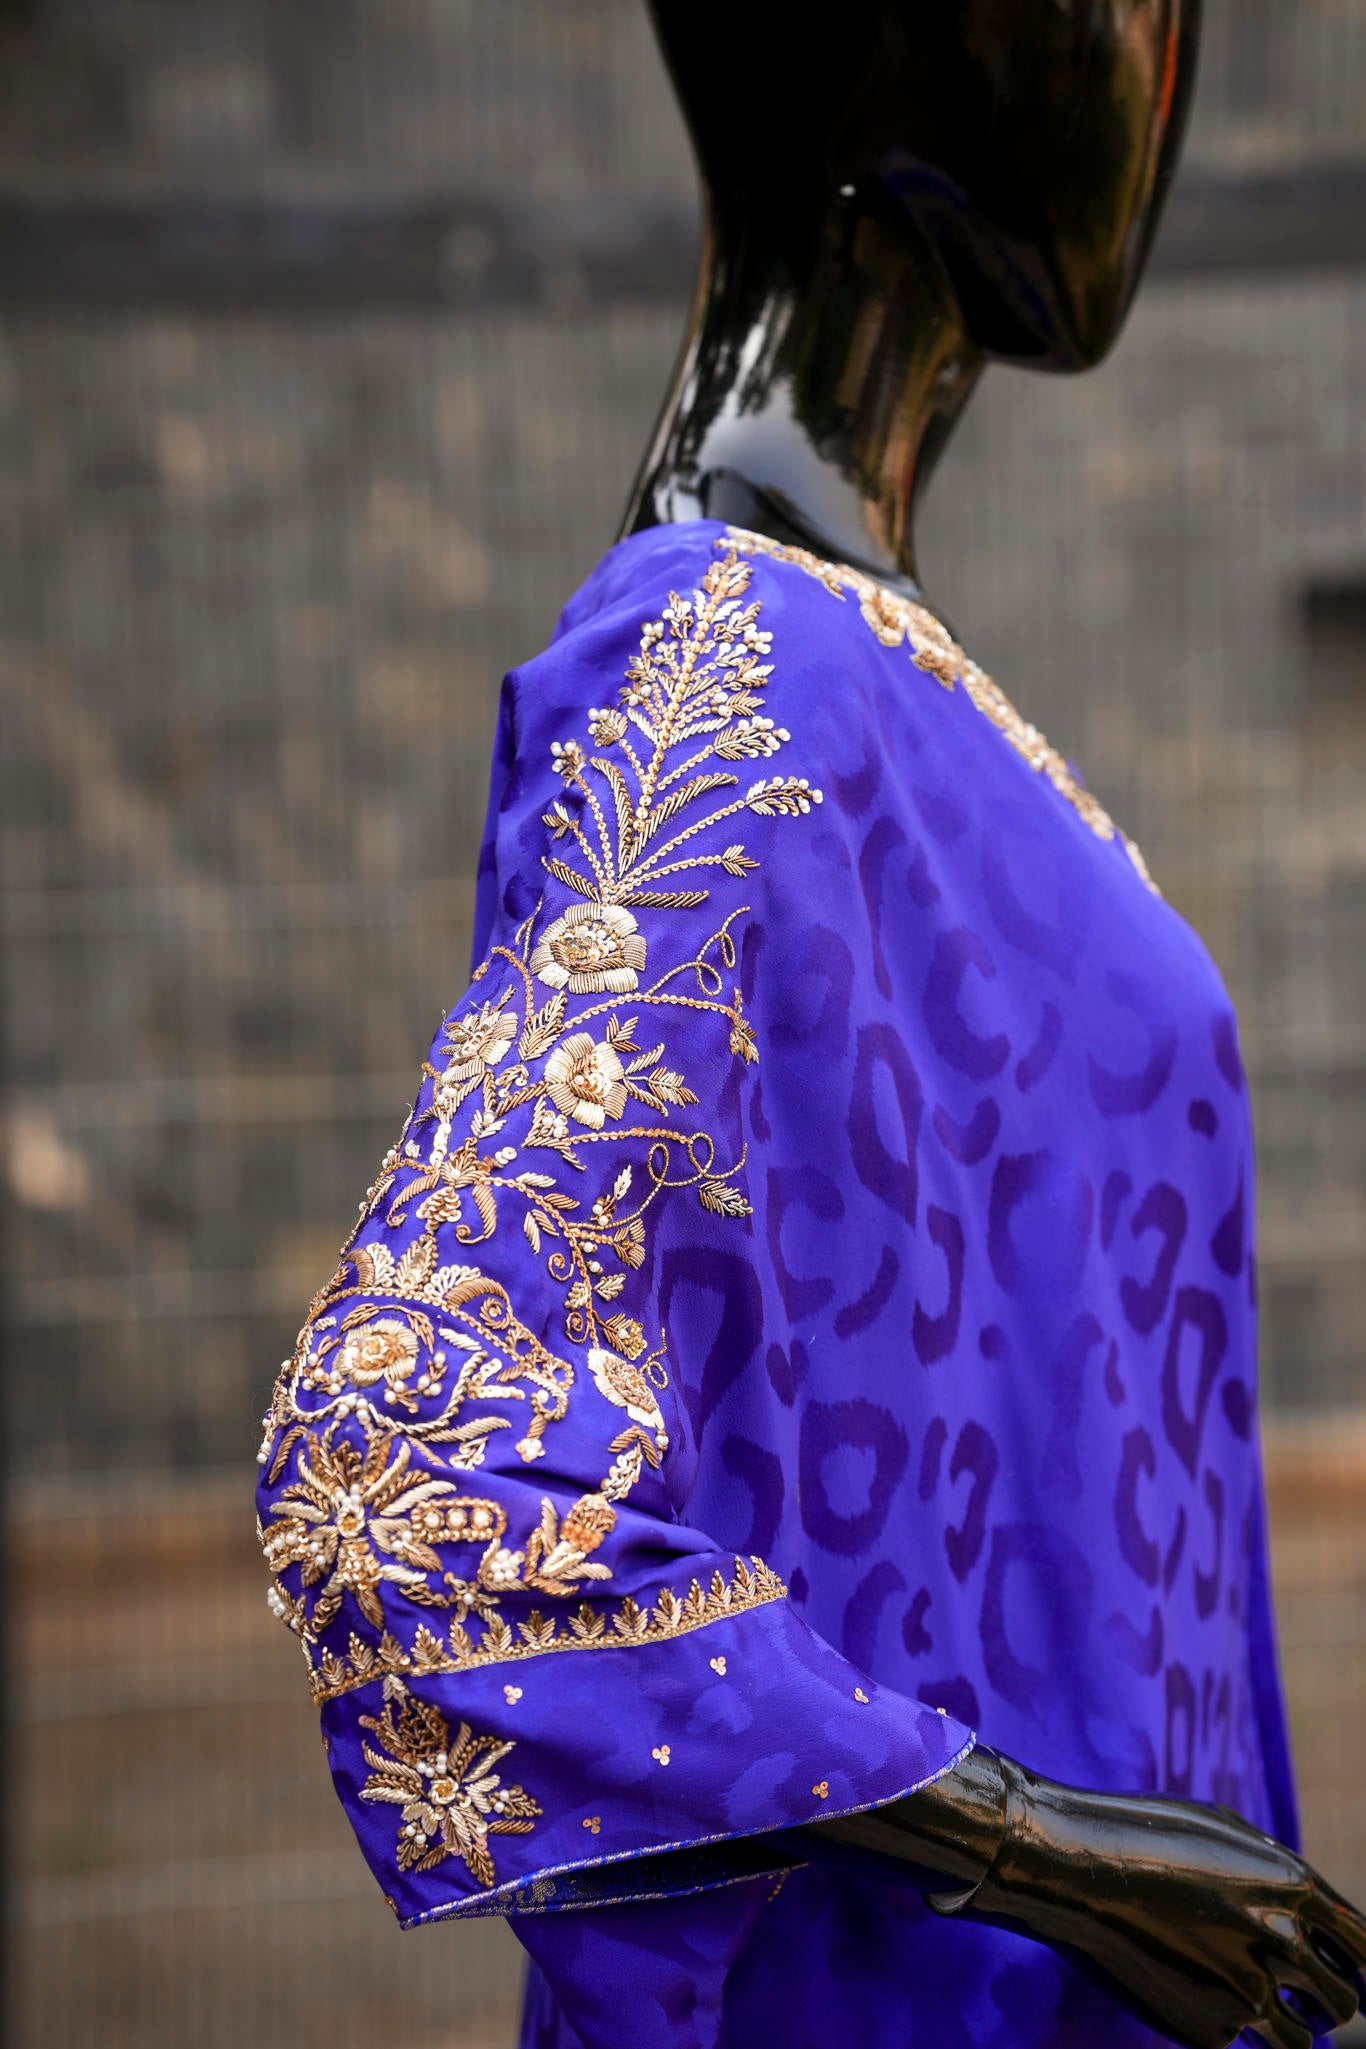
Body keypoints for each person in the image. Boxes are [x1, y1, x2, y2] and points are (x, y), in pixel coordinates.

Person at [255, 3, 1366, 2044]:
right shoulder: (721, 663)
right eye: (1131, 9)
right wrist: (1028, 1842)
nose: (1166, 75)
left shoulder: (880, 680)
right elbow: (404, 1471)